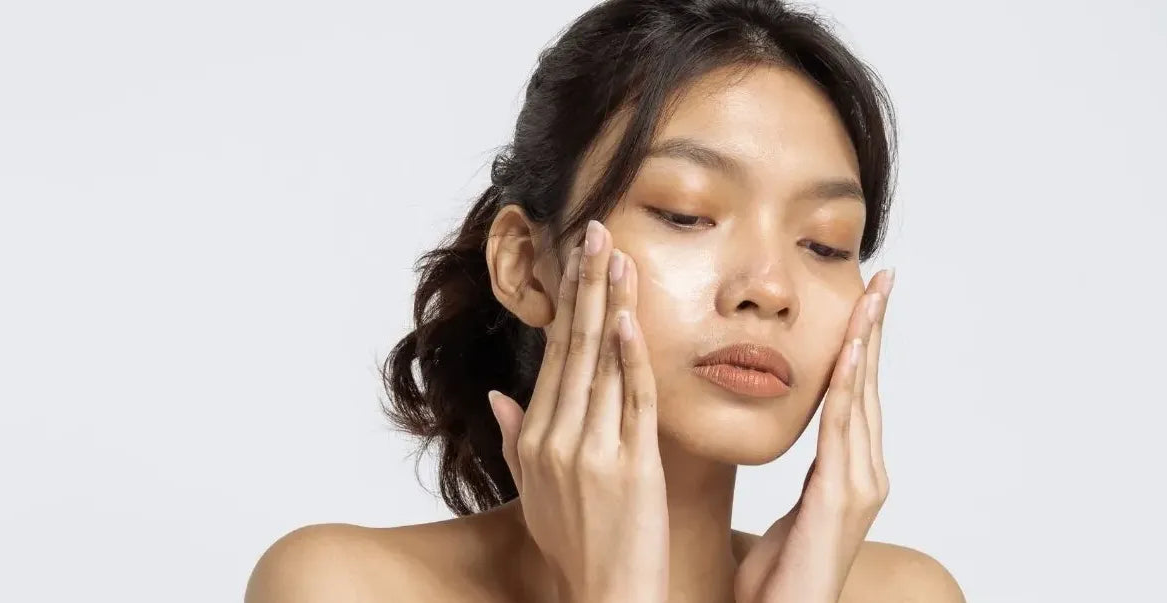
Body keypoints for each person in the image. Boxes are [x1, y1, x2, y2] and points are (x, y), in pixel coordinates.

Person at [246, 0, 965, 601]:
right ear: (526, 266)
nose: (770, 289)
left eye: (827, 243)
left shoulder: (903, 593)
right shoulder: (344, 585)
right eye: (685, 213)